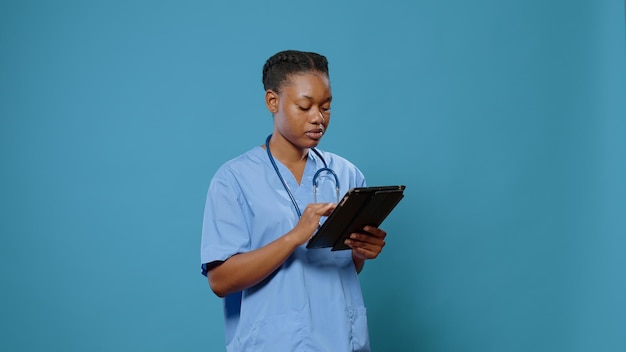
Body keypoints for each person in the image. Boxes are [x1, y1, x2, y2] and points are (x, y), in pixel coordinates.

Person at [200, 50, 388, 352]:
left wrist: (362, 250)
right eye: (305, 106)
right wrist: (293, 238)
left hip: (343, 339)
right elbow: (220, 281)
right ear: (273, 101)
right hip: (273, 342)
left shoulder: (347, 174)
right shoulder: (233, 180)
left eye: (326, 107)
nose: (318, 118)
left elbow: (346, 267)